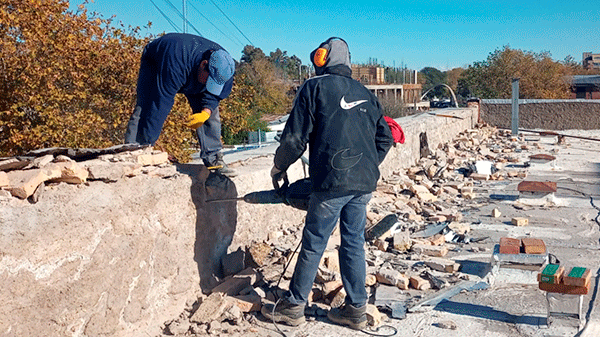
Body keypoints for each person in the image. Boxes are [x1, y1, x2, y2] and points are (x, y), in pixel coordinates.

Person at [261, 37, 394, 329]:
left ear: (322, 59)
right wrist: (366, 165)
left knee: (314, 242)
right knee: (353, 243)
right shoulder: (365, 93)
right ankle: (356, 309)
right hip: (363, 185)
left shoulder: (314, 88)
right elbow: (386, 138)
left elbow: (294, 139)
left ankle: (294, 306)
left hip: (331, 184)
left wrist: (279, 168)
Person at [124, 33, 236, 176]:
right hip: (156, 61)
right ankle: (135, 153)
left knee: (211, 114)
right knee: (146, 106)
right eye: (210, 81)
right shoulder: (176, 63)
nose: (210, 86)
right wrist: (149, 143)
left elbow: (214, 96)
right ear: (204, 65)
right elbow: (160, 104)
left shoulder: (224, 68)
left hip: (192, 67)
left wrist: (205, 112)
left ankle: (214, 159)